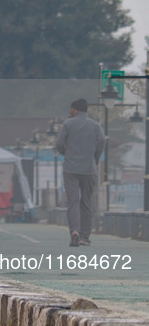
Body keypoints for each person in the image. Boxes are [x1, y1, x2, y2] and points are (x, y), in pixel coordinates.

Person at [55, 98, 105, 247]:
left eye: (71, 109)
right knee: (86, 202)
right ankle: (85, 236)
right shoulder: (95, 125)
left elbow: (58, 143)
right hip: (89, 169)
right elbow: (102, 140)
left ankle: (74, 231)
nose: (69, 111)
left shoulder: (68, 124)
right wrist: (95, 157)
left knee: (73, 202)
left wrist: (66, 153)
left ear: (75, 110)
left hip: (71, 169)